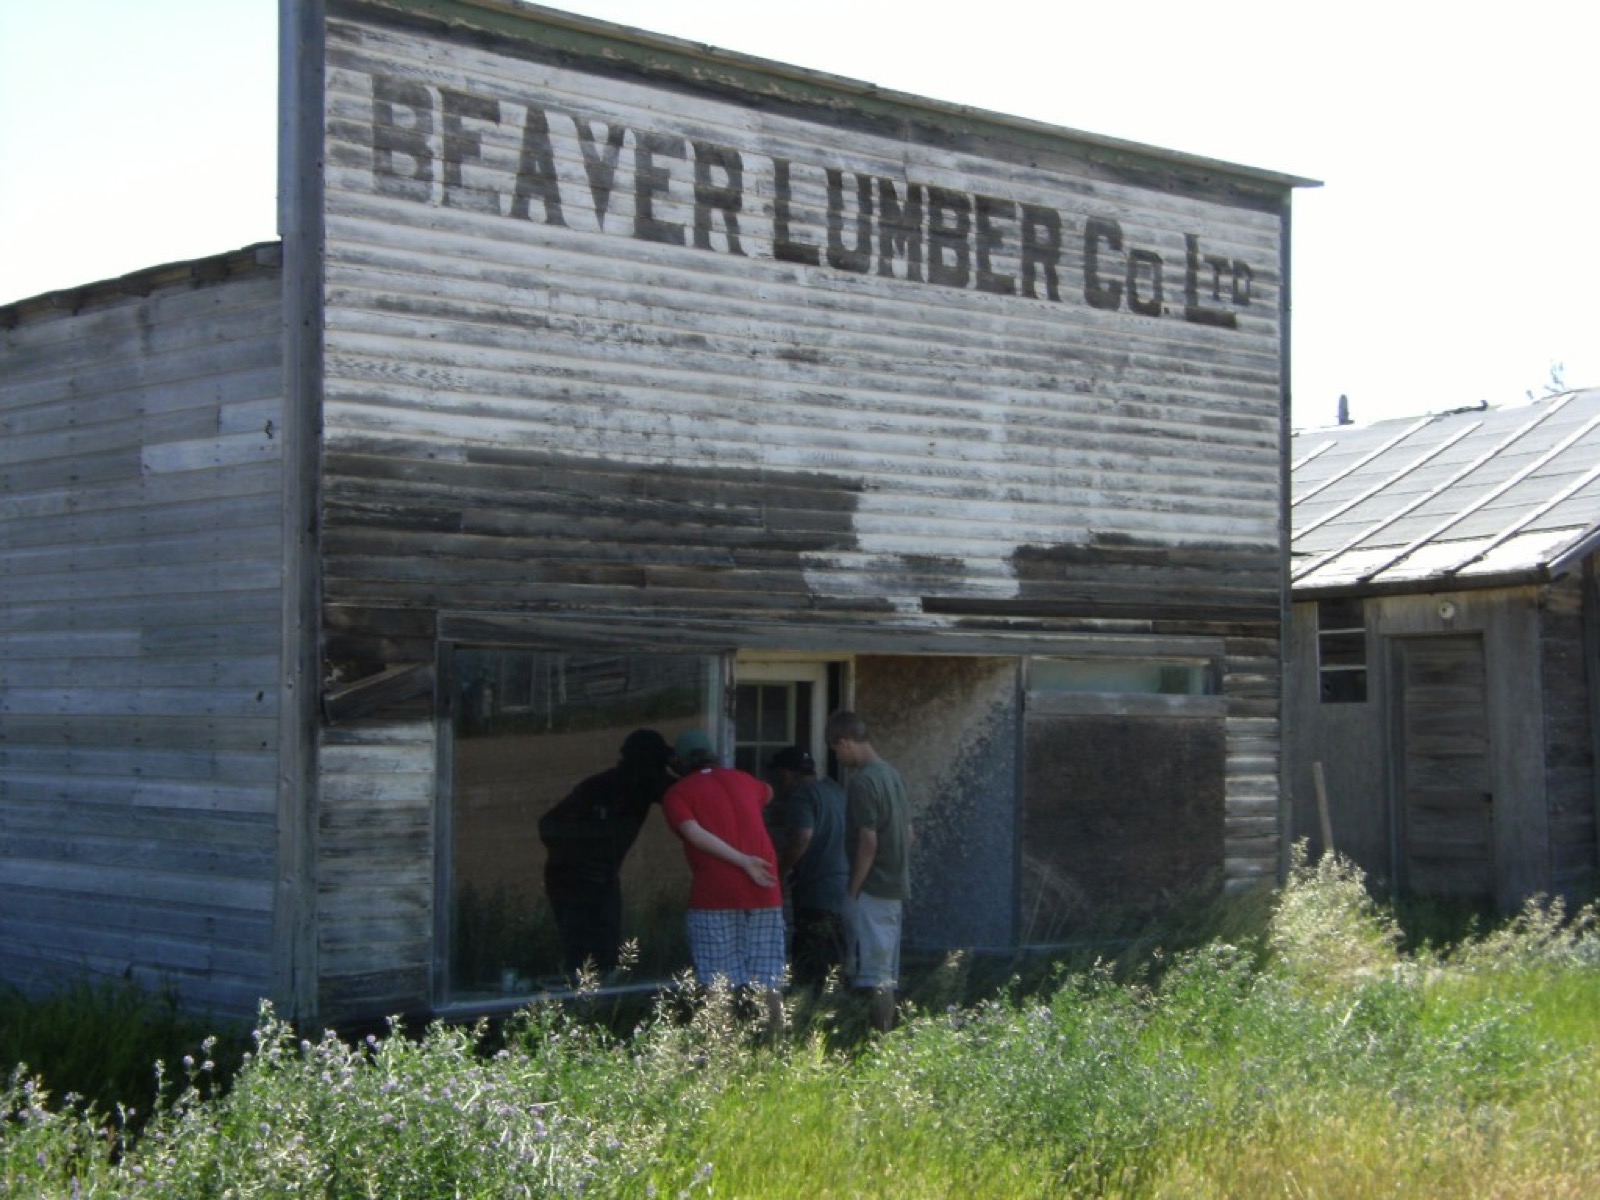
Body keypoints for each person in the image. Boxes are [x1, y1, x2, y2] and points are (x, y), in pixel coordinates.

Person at [538, 728, 674, 977]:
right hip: (579, 874)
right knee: (593, 948)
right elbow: (549, 824)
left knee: (588, 948)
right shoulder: (633, 781)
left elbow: (548, 824)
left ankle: (586, 994)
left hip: (578, 873)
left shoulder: (612, 782)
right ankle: (590, 998)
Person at [661, 730, 786, 996]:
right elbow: (770, 792)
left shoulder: (677, 794)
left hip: (715, 894)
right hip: (765, 885)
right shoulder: (745, 781)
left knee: (716, 979)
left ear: (679, 763)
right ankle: (774, 1035)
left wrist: (742, 861)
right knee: (768, 977)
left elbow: (693, 833)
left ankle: (721, 1037)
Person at [826, 710, 911, 1032]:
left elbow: (868, 840)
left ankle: (881, 1041)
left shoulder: (863, 782)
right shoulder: (892, 775)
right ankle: (879, 1037)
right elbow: (909, 835)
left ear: (845, 742)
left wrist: (853, 890)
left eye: (836, 749)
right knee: (883, 969)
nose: (837, 755)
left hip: (872, 889)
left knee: (875, 975)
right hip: (893, 886)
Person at [767, 745, 849, 987]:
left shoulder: (802, 795)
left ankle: (811, 1016)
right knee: (836, 963)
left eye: (779, 777)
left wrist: (780, 871)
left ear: (787, 774)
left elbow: (803, 835)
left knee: (812, 965)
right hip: (844, 889)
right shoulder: (835, 790)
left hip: (817, 891)